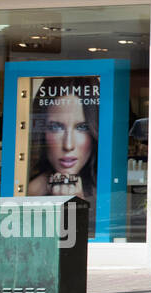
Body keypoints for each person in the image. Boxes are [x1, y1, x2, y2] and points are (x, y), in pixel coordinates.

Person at [26, 81, 100, 221]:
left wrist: (77, 206)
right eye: (56, 127)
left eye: (82, 127)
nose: (68, 145)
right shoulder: (27, 188)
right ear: (41, 133)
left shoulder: (110, 192)